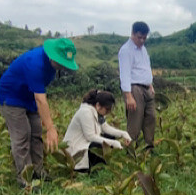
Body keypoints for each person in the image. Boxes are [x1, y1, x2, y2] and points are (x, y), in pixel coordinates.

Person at [0, 38, 78, 188]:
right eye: (61, 64)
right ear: (53, 57)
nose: (63, 67)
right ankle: (25, 179)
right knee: (22, 136)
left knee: (36, 134)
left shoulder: (52, 65)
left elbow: (39, 96)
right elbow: (41, 100)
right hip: (12, 97)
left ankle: (38, 173)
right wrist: (51, 128)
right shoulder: (34, 63)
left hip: (29, 98)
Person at [63, 90, 132, 172]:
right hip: (77, 148)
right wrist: (114, 143)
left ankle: (101, 166)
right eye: (107, 109)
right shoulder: (85, 112)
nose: (108, 112)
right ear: (98, 105)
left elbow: (105, 128)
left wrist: (124, 134)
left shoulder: (98, 112)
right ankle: (93, 169)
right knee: (98, 144)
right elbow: (90, 137)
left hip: (86, 143)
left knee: (109, 137)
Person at [118, 21, 155, 151]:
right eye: (139, 37)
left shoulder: (143, 49)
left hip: (146, 88)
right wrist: (128, 96)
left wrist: (150, 84)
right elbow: (125, 74)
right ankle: (131, 151)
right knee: (135, 121)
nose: (142, 40)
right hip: (134, 89)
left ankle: (148, 148)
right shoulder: (126, 50)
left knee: (151, 118)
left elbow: (145, 68)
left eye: (144, 38)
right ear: (133, 33)